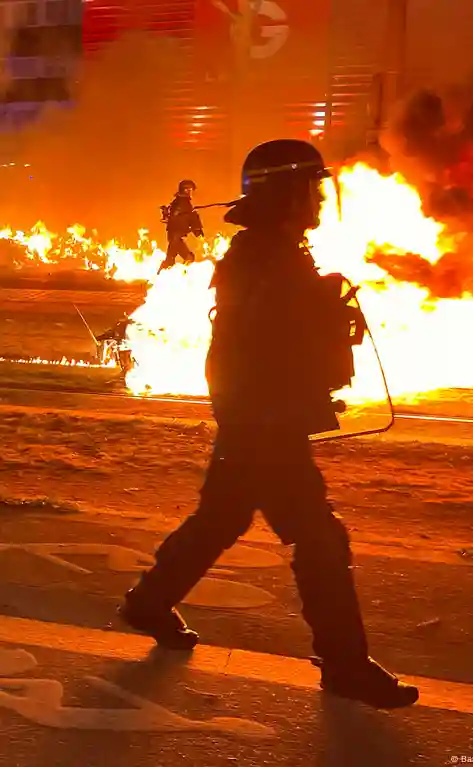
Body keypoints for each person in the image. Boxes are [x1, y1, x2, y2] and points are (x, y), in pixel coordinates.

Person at [119, 139, 419, 711]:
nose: (319, 200)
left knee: (221, 520)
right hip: (264, 425)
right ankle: (346, 665)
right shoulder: (264, 260)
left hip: (259, 422)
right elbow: (246, 353)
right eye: (311, 188)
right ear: (287, 194)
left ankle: (149, 603)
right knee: (321, 540)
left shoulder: (278, 252)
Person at [158, 179, 205, 272]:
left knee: (170, 261)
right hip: (175, 237)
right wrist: (197, 231)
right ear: (184, 190)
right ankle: (178, 277)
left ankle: (160, 277)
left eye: (191, 190)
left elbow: (188, 217)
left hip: (175, 237)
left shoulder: (179, 202)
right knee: (188, 258)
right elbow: (188, 218)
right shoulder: (182, 203)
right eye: (188, 190)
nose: (190, 192)